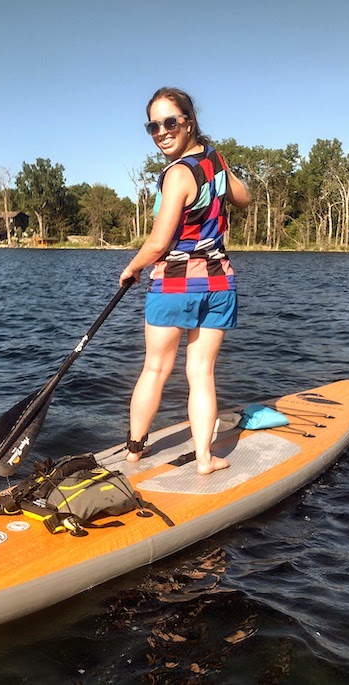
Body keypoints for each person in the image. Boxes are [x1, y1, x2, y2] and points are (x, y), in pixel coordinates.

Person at [119, 86, 251, 476]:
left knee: (155, 369)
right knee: (201, 373)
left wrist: (132, 267)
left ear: (188, 122)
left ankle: (133, 452)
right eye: (153, 125)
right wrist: (220, 167)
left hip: (176, 284)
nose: (161, 131)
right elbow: (243, 199)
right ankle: (205, 459)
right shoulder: (214, 160)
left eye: (170, 122)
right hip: (219, 284)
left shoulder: (177, 174)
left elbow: (159, 241)